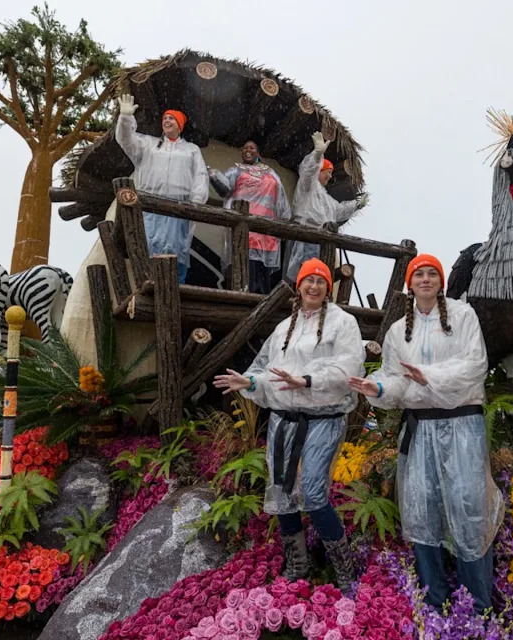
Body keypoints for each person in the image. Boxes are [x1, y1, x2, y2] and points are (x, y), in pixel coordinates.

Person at [348, 254, 504, 614]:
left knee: (468, 505)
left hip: (462, 426)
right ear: (410, 284)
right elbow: (394, 379)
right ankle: (435, 601)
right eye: (419, 274)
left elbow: (475, 365)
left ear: (441, 281)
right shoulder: (397, 331)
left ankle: (477, 605)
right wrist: (378, 389)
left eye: (432, 273)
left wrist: (428, 377)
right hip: (420, 430)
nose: (426, 279)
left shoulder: (463, 316)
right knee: (422, 506)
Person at [213, 258, 363, 592]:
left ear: (328, 288)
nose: (314, 286)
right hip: (284, 422)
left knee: (312, 493)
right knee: (282, 492)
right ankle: (298, 564)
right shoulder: (284, 329)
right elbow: (269, 371)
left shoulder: (343, 323)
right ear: (299, 286)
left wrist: (306, 380)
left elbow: (348, 368)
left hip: (322, 419)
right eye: (309, 280)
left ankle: (344, 567)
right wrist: (251, 382)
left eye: (321, 281)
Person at [115, 94, 209, 283]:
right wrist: (125, 117)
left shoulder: (191, 150)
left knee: (175, 254)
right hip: (149, 208)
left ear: (180, 125)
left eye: (171, 118)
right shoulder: (148, 144)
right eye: (165, 118)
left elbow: (200, 175)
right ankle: (146, 290)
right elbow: (126, 140)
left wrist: (197, 201)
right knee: (147, 251)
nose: (166, 121)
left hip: (178, 211)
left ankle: (174, 290)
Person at [284, 132, 369, 283]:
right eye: (328, 172)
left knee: (316, 277)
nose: (330, 177)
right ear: (319, 171)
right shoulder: (307, 187)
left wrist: (356, 205)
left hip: (320, 242)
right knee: (299, 277)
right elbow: (308, 171)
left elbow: (339, 211)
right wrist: (317, 155)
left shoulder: (327, 198)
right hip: (304, 237)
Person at [209, 141, 292, 293]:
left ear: (258, 152)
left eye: (251, 148)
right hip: (243, 232)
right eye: (245, 148)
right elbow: (224, 189)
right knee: (245, 275)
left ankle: (261, 304)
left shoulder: (271, 174)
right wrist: (214, 175)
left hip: (266, 234)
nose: (248, 150)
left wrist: (283, 223)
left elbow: (282, 203)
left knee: (263, 281)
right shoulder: (235, 171)